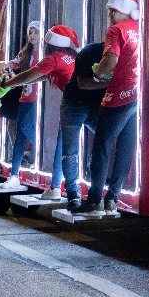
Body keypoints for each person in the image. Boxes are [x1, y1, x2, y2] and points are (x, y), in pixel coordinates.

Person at [78, 0, 140, 216]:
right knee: (126, 149)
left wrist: (98, 75)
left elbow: (111, 59)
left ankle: (94, 200)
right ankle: (112, 198)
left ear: (125, 10)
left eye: (114, 10)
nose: (111, 14)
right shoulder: (140, 29)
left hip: (116, 97)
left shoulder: (115, 31)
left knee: (102, 148)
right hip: (136, 97)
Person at [0, 26, 78, 196]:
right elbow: (42, 76)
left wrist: (6, 84)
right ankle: (55, 186)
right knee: (66, 144)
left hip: (74, 104)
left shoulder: (53, 58)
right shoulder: (69, 55)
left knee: (64, 147)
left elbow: (29, 76)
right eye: (31, 32)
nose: (34, 36)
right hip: (83, 101)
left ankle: (61, 188)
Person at [57, 41, 108, 211]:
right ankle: (73, 194)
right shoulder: (89, 52)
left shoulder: (121, 56)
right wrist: (113, 83)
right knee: (70, 151)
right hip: (74, 103)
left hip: (95, 106)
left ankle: (97, 185)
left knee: (104, 143)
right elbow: (83, 83)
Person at [2, 22, 41, 185]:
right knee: (19, 135)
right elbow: (13, 64)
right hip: (25, 97)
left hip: (38, 99)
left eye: (36, 32)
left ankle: (40, 154)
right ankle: (14, 174)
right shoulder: (26, 52)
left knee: (26, 127)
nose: (32, 35)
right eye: (30, 32)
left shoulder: (44, 53)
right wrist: (7, 68)